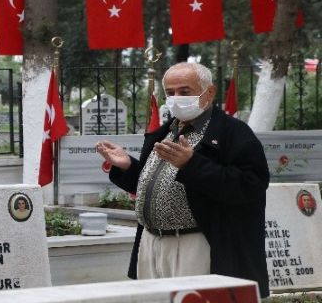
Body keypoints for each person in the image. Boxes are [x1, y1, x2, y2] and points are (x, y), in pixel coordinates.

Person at [96, 62, 270, 298]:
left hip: (195, 243)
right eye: (170, 93)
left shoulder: (233, 133)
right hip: (151, 243)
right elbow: (154, 185)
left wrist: (192, 165)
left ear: (209, 92)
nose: (176, 98)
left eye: (184, 92)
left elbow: (250, 186)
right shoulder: (165, 132)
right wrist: (127, 165)